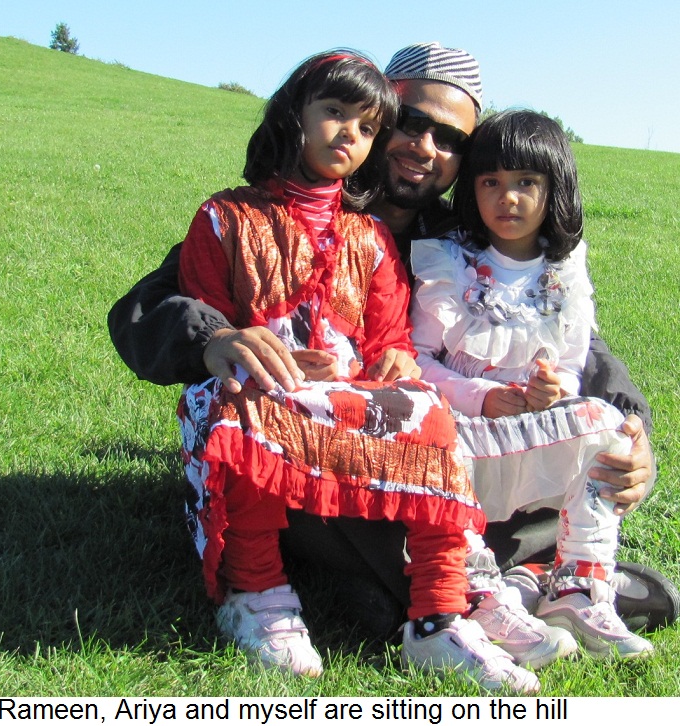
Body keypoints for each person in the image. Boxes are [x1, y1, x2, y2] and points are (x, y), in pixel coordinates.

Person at [108, 43, 679, 637]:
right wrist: (217, 336)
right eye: (411, 123)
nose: (425, 148)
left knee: (516, 466)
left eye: (450, 139)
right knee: (334, 490)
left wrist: (631, 428)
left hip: (445, 453)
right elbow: (145, 308)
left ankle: (473, 580)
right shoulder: (286, 210)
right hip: (316, 446)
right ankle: (498, 584)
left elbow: (567, 332)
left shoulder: (467, 238)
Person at [175, 49, 542, 691]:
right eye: (335, 113)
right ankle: (256, 593)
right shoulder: (225, 217)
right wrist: (231, 341)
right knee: (243, 403)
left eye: (367, 126)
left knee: (430, 411)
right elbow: (197, 309)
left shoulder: (371, 237)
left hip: (344, 405)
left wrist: (395, 359)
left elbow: (390, 335)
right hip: (261, 395)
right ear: (294, 113)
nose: (350, 134)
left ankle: (438, 615)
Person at [411, 109, 654, 658]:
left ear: (554, 188)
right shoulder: (447, 263)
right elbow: (418, 360)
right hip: (462, 439)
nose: (509, 198)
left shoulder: (565, 271)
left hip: (531, 436)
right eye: (490, 182)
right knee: (433, 438)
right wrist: (484, 398)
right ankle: (477, 591)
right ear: (472, 189)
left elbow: (572, 361)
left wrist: (554, 389)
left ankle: (578, 584)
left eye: (526, 182)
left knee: (608, 425)